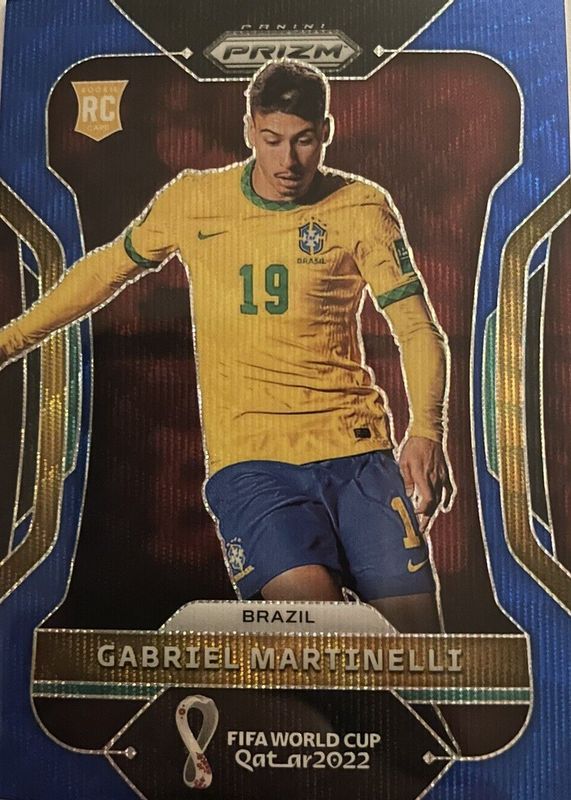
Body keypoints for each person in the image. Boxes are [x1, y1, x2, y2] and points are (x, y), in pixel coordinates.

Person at [0, 60, 453, 632]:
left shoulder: (362, 206)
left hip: (358, 451)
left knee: (418, 650)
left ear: (326, 132)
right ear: (249, 131)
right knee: (321, 634)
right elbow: (106, 270)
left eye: (303, 140)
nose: (288, 161)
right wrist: (9, 341)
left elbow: (417, 328)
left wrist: (427, 430)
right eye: (272, 139)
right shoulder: (194, 199)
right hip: (253, 461)